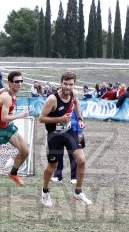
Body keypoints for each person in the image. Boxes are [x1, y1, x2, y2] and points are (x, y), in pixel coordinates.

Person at [38, 72, 92, 206]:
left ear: (74, 84)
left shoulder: (74, 94)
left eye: (71, 84)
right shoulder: (52, 99)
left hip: (68, 132)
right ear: (61, 83)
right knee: (53, 166)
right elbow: (41, 118)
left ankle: (78, 192)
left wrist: (80, 118)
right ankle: (45, 192)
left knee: (82, 160)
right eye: (65, 84)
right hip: (53, 135)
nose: (68, 87)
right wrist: (60, 119)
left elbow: (77, 103)